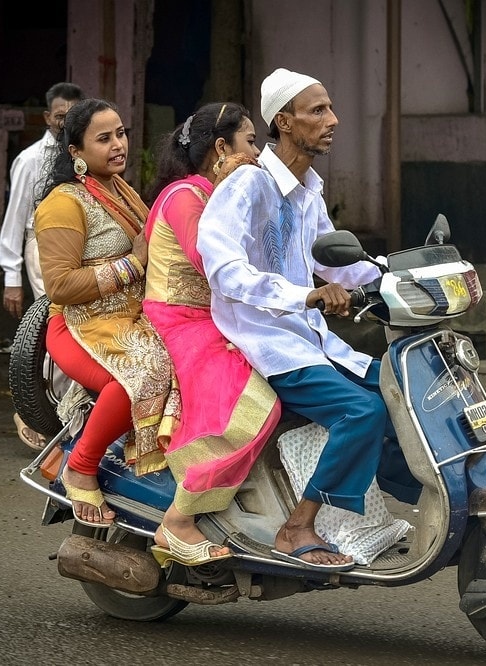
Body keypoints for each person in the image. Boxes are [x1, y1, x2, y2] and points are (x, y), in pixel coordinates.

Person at [197, 69, 422, 571]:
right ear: (284, 120)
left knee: (399, 389)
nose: (332, 120)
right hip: (267, 342)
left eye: (330, 108)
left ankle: (418, 500)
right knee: (361, 412)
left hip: (312, 338)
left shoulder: (307, 191)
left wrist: (401, 273)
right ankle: (297, 526)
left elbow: (337, 260)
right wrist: (306, 296)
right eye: (317, 111)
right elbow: (225, 271)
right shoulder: (247, 186)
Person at [142, 102, 281, 565]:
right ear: (221, 148)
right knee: (256, 405)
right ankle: (178, 520)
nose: (257, 153)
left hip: (215, 317)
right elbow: (215, 265)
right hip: (181, 320)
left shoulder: (215, 196)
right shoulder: (186, 196)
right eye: (249, 142)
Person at [34, 98, 179, 527]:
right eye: (104, 138)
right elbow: (59, 286)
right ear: (75, 151)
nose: (118, 145)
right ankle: (81, 465)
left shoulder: (120, 188)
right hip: (80, 325)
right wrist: (133, 264)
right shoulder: (63, 203)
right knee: (141, 373)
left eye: (121, 134)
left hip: (133, 318)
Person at [0, 82, 84, 450]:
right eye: (60, 117)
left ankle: (65, 414)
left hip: (79, 247)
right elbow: (14, 221)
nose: (65, 124)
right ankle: (43, 414)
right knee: (57, 325)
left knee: (76, 325)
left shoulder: (81, 154)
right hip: (42, 247)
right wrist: (11, 277)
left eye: (72, 117)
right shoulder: (31, 160)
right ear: (48, 117)